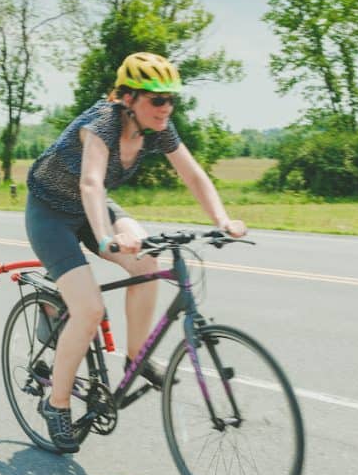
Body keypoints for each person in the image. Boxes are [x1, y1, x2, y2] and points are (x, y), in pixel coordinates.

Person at [24, 52, 247, 453]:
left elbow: (192, 174)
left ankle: (135, 359)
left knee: (148, 258)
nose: (167, 108)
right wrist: (107, 238)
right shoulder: (102, 125)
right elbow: (91, 184)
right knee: (89, 309)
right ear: (128, 98)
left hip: (92, 210)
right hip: (51, 215)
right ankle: (56, 405)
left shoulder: (158, 128)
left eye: (171, 99)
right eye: (157, 99)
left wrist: (223, 220)